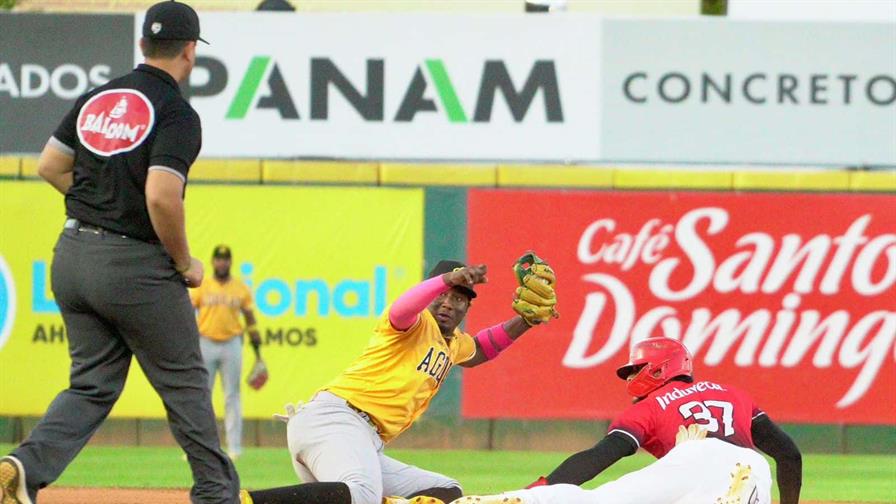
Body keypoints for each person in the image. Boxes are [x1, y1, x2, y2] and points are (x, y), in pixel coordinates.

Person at [0, 2, 241, 503]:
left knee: (90, 385)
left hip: (71, 256)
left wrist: (99, 205)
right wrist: (182, 262)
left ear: (141, 46)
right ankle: (217, 495)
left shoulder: (98, 97)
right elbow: (159, 195)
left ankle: (21, 466)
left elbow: (49, 164)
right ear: (191, 51)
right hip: (136, 269)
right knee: (185, 386)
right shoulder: (175, 111)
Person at [241, 258, 559, 504]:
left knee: (447, 490)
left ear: (467, 307)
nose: (449, 303)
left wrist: (526, 321)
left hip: (361, 441)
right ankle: (244, 501)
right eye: (443, 295)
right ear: (431, 292)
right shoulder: (411, 323)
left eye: (459, 299)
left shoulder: (455, 343)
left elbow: (484, 348)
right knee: (362, 492)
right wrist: (445, 280)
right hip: (336, 421)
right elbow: (403, 307)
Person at [454, 337, 803, 504]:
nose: (630, 377)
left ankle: (516, 501)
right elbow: (789, 454)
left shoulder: (648, 407)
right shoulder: (734, 394)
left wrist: (546, 487)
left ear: (660, 368)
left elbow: (600, 457)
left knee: (598, 501)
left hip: (691, 457)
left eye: (635, 369)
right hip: (752, 470)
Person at [190, 245, 264, 460]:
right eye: (218, 259)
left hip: (231, 343)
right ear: (213, 262)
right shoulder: (203, 285)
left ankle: (234, 448)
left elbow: (249, 317)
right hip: (206, 342)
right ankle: (202, 447)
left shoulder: (239, 288)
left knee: (232, 395)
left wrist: (255, 340)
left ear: (230, 262)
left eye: (225, 259)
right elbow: (188, 310)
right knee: (203, 394)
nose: (222, 263)